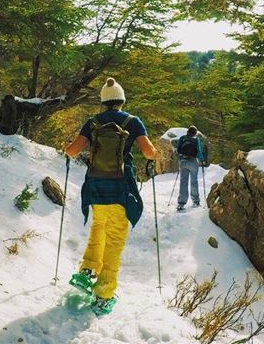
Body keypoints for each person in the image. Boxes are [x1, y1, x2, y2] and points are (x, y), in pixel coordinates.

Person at [64, 76, 157, 315]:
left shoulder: (92, 121)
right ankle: (104, 294)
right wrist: (153, 151)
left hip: (95, 186)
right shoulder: (133, 122)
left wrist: (68, 145)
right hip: (120, 188)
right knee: (115, 239)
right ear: (122, 101)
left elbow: (72, 151)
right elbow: (149, 153)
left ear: (103, 102)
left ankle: (87, 271)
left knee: (98, 227)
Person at [176, 126, 207, 212]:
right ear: (195, 133)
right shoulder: (196, 139)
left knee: (183, 182)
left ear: (188, 131)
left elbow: (178, 150)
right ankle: (196, 201)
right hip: (193, 162)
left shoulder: (182, 138)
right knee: (194, 181)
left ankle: (181, 203)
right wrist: (202, 160)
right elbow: (199, 151)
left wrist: (180, 159)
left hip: (183, 162)